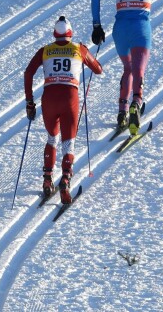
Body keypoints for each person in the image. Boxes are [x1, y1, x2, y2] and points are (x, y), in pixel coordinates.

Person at [90, 0, 163, 135]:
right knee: (139, 69)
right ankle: (136, 102)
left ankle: (122, 112)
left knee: (127, 68)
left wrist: (97, 25)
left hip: (120, 30)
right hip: (140, 28)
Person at [24, 16, 103, 204]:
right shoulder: (79, 49)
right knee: (69, 143)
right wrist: (87, 51)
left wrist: (29, 102)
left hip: (49, 98)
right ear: (70, 33)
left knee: (52, 138)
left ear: (55, 33)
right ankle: (65, 180)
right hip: (69, 98)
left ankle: (47, 179)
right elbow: (98, 69)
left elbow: (28, 73)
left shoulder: (45, 50)